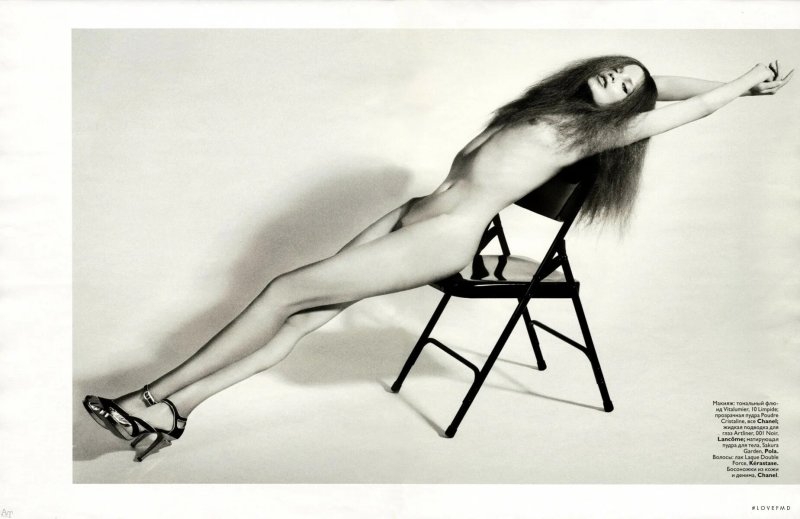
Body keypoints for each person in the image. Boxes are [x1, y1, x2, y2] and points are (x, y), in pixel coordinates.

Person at [83, 55, 792, 461]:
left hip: (443, 237)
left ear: (628, 111)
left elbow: (683, 107)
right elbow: (658, 83)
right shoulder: (546, 108)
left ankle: (146, 397)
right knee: (297, 319)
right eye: (613, 69)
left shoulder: (594, 135)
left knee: (280, 292)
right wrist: (654, 75)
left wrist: (740, 84)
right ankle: (177, 411)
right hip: (416, 212)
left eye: (627, 86)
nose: (617, 78)